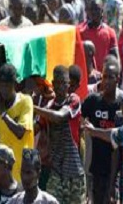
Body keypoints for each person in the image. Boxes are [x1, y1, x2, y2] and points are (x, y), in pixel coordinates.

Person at [34, 66, 86, 204]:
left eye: (64, 83)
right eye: (57, 82)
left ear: (69, 84)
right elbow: (34, 129)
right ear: (53, 83)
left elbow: (59, 117)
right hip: (56, 171)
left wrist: (34, 107)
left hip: (74, 172)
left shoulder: (73, 100)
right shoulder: (49, 107)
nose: (61, 86)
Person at [81, 55, 121, 203]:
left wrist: (94, 131)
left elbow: (117, 136)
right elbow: (79, 117)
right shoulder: (93, 101)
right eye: (104, 76)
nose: (107, 81)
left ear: (118, 78)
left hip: (117, 171)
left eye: (110, 77)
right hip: (96, 168)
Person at [0, 63, 34, 182]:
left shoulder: (25, 101)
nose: (4, 90)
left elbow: (20, 132)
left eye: (7, 85)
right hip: (5, 175)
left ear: (15, 84)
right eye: (1, 85)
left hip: (23, 174)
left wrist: (3, 113)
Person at [80, 0, 119, 70]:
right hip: (86, 75)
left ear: (102, 11)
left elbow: (116, 59)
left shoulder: (110, 32)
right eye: (91, 9)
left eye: (96, 9)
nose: (93, 12)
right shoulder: (80, 31)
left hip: (104, 77)